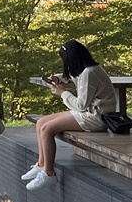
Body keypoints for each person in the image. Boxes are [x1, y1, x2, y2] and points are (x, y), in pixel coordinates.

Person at [24, 40, 117, 190]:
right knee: (41, 123)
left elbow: (81, 105)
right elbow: (75, 78)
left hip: (96, 117)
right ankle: (41, 164)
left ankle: (49, 173)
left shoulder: (90, 73)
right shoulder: (87, 70)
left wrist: (62, 93)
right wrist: (59, 78)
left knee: (47, 129)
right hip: (89, 113)